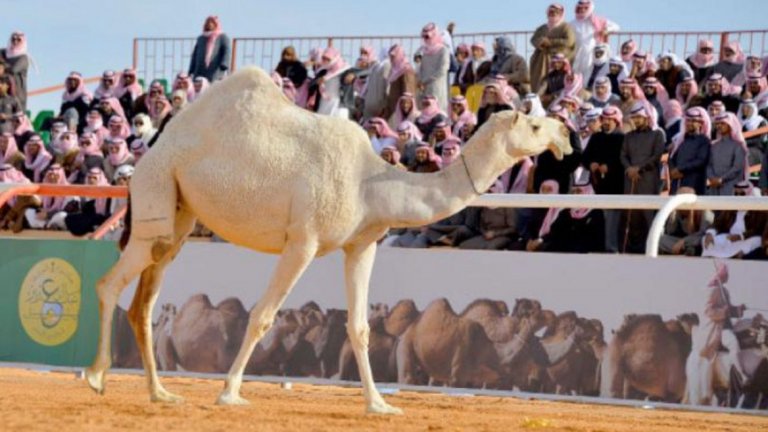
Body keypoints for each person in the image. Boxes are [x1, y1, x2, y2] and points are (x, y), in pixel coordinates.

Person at [689, 262, 749, 391]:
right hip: (719, 329)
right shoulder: (711, 291)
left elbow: (730, 310)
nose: (727, 276)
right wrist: (723, 311)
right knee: (733, 344)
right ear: (721, 275)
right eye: (726, 274)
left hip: (728, 325)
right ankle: (741, 375)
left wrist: (738, 309)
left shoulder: (724, 291)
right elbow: (708, 311)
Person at [620, 102, 665, 253]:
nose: (637, 120)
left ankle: (652, 248)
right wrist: (629, 168)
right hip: (630, 179)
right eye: (634, 118)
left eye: (639, 117)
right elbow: (623, 155)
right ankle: (633, 249)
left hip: (648, 179)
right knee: (631, 216)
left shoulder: (657, 134)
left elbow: (657, 155)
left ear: (647, 117)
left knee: (648, 215)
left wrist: (639, 168)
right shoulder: (628, 136)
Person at [582, 106, 624, 251]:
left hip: (615, 187)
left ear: (616, 121)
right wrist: (591, 164)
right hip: (597, 187)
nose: (606, 122)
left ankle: (611, 250)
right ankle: (599, 248)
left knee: (612, 221)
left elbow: (623, 160)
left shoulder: (621, 138)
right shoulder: (596, 137)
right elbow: (585, 157)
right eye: (604, 119)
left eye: (609, 120)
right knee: (599, 220)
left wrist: (610, 167)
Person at [527, 177, 605, 253]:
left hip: (587, 254)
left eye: (578, 191)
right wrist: (539, 241)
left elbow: (597, 239)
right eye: (573, 192)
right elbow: (555, 230)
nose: (575, 195)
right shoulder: (567, 211)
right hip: (564, 253)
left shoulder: (595, 212)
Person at [702, 181, 765, 258]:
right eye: (736, 194)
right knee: (706, 239)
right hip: (729, 238)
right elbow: (718, 223)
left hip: (745, 239)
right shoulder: (731, 207)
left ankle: (735, 256)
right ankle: (715, 256)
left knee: (756, 240)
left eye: (742, 194)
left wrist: (740, 237)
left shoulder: (757, 211)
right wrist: (710, 233)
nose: (738, 197)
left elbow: (757, 230)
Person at [533, 104, 582, 193]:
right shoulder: (543, 135)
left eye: (554, 117)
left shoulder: (571, 135)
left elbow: (576, 157)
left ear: (562, 119)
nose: (551, 120)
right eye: (550, 117)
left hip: (563, 180)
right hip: (543, 179)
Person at [458, 181, 519, 250]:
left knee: (490, 248)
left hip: (503, 236)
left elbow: (513, 228)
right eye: (488, 192)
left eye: (491, 192)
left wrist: (495, 234)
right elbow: (481, 226)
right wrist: (485, 233)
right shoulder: (485, 206)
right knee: (464, 245)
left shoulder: (507, 207)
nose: (489, 194)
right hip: (486, 236)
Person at [529, 3, 576, 93]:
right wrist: (541, 41)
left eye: (556, 12)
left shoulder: (566, 27)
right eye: (551, 12)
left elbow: (569, 42)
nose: (553, 13)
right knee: (538, 81)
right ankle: (537, 96)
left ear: (561, 13)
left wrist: (550, 42)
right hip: (540, 58)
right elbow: (533, 39)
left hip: (559, 58)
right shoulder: (542, 28)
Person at [570, 0, 619, 79]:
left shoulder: (597, 20)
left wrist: (606, 30)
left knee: (590, 73)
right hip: (578, 52)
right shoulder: (573, 23)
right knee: (576, 72)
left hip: (592, 51)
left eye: (585, 8)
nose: (582, 10)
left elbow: (616, 27)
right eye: (580, 8)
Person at [668, 107, 711, 195]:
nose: (689, 123)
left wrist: (680, 169)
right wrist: (672, 170)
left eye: (693, 121)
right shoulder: (680, 140)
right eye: (688, 120)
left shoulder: (704, 141)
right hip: (677, 180)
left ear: (700, 123)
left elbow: (700, 160)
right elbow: (672, 157)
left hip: (693, 181)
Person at [659, 187, 712, 256]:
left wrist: (684, 241)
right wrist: (672, 214)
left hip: (697, 240)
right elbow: (670, 231)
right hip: (683, 241)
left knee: (701, 239)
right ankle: (685, 250)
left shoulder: (704, 212)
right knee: (661, 239)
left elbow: (703, 233)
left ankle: (688, 249)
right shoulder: (678, 211)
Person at [707, 112, 748, 196]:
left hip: (731, 186)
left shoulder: (738, 146)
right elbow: (708, 165)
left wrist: (721, 179)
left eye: (722, 123)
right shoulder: (713, 146)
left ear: (730, 125)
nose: (719, 126)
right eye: (717, 124)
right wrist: (712, 179)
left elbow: (737, 168)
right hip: (713, 186)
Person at [63, 167, 112, 236]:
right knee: (70, 218)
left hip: (104, 218)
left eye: (94, 178)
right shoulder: (85, 191)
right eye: (89, 178)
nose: (91, 180)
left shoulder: (108, 191)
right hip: (91, 216)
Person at [24, 164, 74, 230]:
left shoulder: (69, 189)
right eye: (50, 175)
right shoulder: (45, 188)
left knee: (62, 215)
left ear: (61, 176)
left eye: (55, 176)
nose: (52, 178)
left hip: (56, 217)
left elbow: (68, 210)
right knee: (29, 211)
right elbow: (38, 204)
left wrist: (48, 214)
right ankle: (46, 226)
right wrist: (39, 211)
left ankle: (49, 226)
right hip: (44, 218)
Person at [309, 47, 353, 118]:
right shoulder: (323, 71)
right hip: (323, 105)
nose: (325, 61)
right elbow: (311, 86)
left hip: (339, 106)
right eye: (323, 58)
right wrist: (318, 82)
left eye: (328, 59)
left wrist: (353, 76)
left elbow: (364, 73)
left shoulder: (346, 70)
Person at [417, 23, 450, 112]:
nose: (426, 39)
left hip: (437, 87)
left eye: (428, 37)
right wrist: (420, 80)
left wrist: (426, 80)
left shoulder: (443, 50)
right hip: (425, 88)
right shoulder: (424, 51)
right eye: (425, 37)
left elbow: (443, 70)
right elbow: (421, 67)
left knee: (438, 112)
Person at [188, 16, 231, 82]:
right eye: (208, 22)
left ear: (216, 24)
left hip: (214, 68)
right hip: (200, 68)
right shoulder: (201, 38)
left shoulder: (222, 37)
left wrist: (224, 64)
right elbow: (195, 54)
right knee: (199, 85)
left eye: (212, 23)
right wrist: (191, 69)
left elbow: (227, 51)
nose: (209, 24)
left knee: (213, 85)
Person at [380, 44, 416, 122]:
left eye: (393, 56)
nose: (391, 59)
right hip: (394, 111)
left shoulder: (406, 70)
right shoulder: (395, 71)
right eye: (391, 57)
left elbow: (407, 95)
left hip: (402, 113)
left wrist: (405, 113)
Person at [1, 32, 30, 110]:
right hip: (3, 91)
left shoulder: (23, 58)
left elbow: (13, 70)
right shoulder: (4, 53)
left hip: (17, 93)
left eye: (18, 40)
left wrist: (3, 65)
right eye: (13, 39)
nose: (15, 41)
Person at [738, 99, 768, 165]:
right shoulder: (739, 122)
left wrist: (744, 142)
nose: (744, 110)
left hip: (757, 150)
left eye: (748, 107)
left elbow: (759, 140)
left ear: (753, 109)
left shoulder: (761, 122)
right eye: (743, 107)